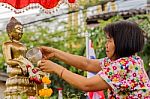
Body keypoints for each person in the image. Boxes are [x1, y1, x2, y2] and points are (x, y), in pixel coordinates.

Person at [38, 20, 150, 98]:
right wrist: (55, 53)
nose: (106, 45)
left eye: (109, 41)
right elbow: (87, 64)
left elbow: (87, 85)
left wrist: (57, 69)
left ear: (122, 43)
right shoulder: (130, 61)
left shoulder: (124, 64)